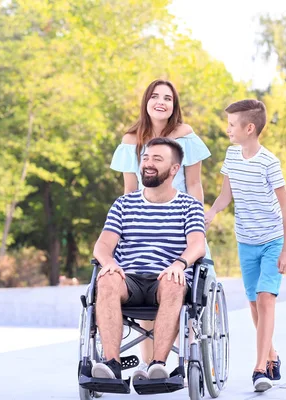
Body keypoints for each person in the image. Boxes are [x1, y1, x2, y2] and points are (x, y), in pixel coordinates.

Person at [110, 79, 211, 379]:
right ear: (146, 101)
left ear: (173, 105)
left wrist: (195, 224)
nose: (161, 102)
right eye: (155, 96)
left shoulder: (185, 136)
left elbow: (194, 185)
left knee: (183, 288)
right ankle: (148, 362)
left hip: (180, 220)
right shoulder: (131, 140)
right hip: (143, 222)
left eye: (168, 98)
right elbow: (130, 191)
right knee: (141, 276)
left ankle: (186, 357)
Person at [92, 137, 206, 382]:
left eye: (157, 159)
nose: (148, 163)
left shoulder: (189, 206)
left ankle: (158, 365)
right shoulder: (124, 204)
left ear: (175, 169)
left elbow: (197, 244)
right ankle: (112, 364)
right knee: (107, 279)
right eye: (145, 158)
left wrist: (180, 264)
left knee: (175, 282)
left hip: (166, 278)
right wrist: (109, 262)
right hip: (129, 279)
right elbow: (102, 245)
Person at [204, 99, 286, 392]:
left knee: (266, 298)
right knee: (254, 302)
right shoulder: (231, 156)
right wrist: (213, 211)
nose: (227, 130)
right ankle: (272, 354)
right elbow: (226, 195)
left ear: (249, 128)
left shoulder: (269, 162)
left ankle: (259, 369)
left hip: (271, 240)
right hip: (246, 241)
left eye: (231, 125)